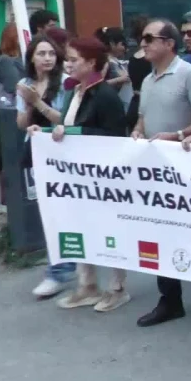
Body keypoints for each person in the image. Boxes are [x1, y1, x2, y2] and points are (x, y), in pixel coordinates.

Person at [131, 19, 191, 327]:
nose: (142, 44)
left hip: (189, 169)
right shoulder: (147, 80)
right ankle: (170, 300)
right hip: (157, 172)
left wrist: (178, 134)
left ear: (169, 43)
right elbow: (143, 119)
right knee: (161, 232)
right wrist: (137, 132)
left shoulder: (189, 75)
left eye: (148, 38)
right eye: (140, 39)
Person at [40, 36, 132, 312]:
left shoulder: (105, 95)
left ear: (92, 62)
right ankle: (87, 285)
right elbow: (66, 126)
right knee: (81, 229)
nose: (67, 64)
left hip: (104, 179)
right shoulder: (73, 92)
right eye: (66, 59)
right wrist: (43, 132)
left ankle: (117, 288)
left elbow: (114, 137)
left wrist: (72, 133)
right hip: (77, 178)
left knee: (110, 231)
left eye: (73, 59)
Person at [18, 35, 73, 298]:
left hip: (61, 155)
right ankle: (60, 267)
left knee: (63, 212)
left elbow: (63, 118)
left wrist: (37, 101)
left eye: (52, 53)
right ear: (31, 57)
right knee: (47, 212)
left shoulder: (64, 83)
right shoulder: (25, 84)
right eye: (41, 53)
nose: (47, 58)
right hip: (35, 152)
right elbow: (19, 123)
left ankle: (60, 271)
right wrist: (27, 106)